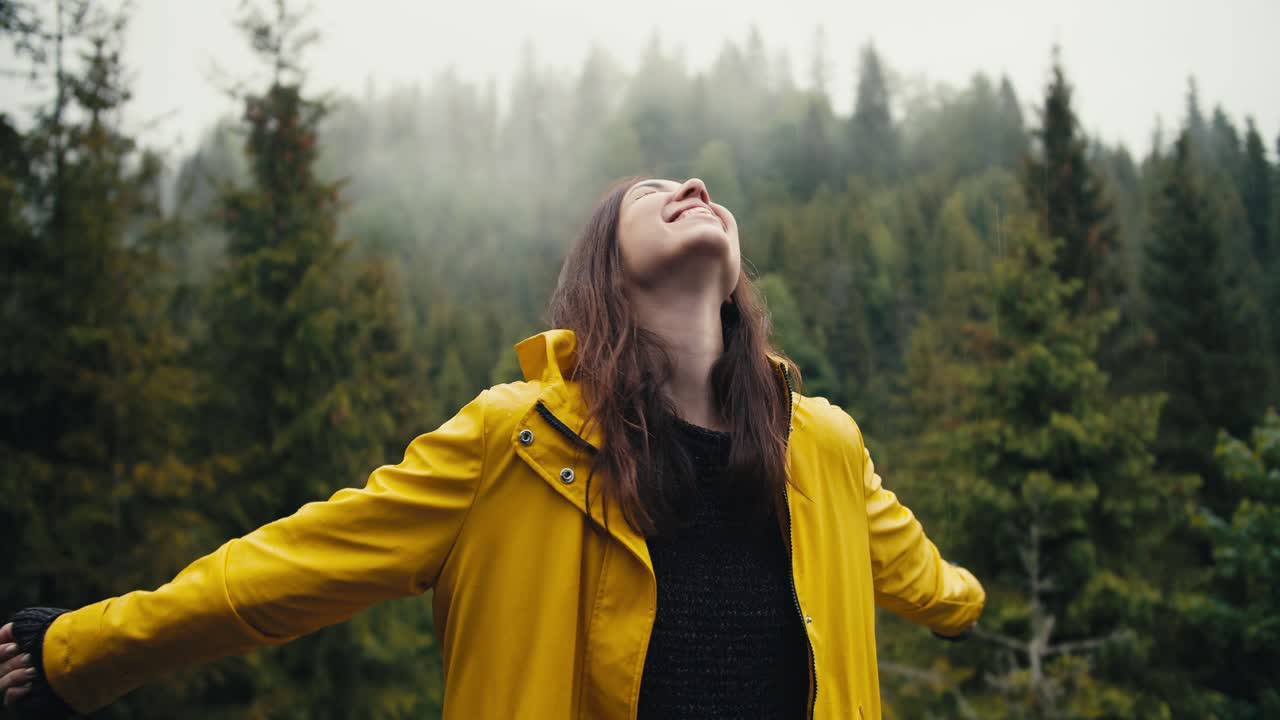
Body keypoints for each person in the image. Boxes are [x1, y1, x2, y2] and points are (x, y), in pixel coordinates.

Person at [1, 177, 984, 719]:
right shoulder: (511, 440)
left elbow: (911, 567)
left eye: (701, 187)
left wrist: (963, 608)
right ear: (606, 268)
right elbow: (287, 568)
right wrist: (78, 653)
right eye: (651, 193)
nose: (690, 184)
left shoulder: (822, 443)